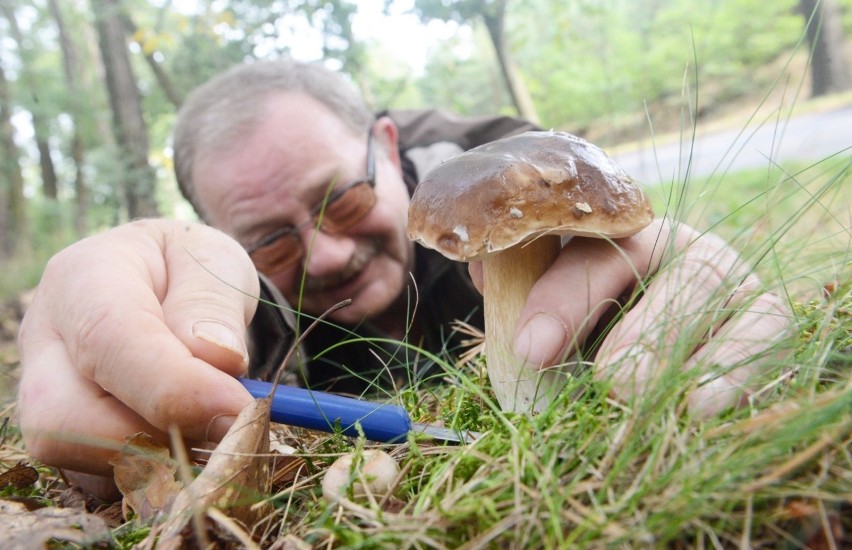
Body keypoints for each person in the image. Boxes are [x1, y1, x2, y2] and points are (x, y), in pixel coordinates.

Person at [16, 58, 791, 492]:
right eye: (270, 241)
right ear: (222, 234)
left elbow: (644, 239)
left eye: (344, 201)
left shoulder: (522, 176)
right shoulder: (225, 292)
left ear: (387, 147)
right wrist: (107, 332)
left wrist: (681, 287)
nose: (323, 255)